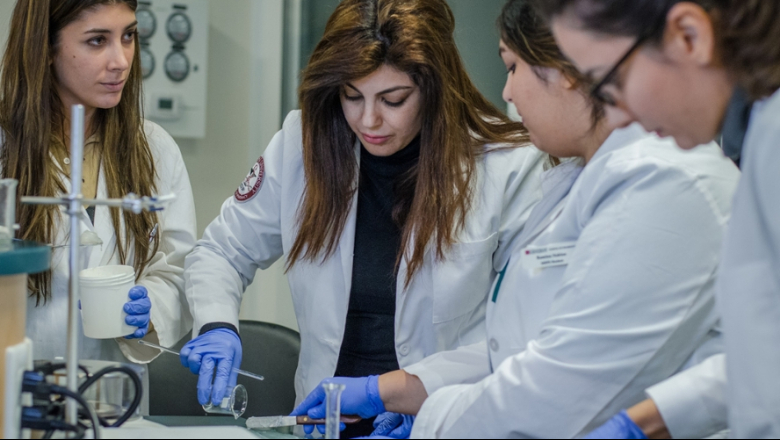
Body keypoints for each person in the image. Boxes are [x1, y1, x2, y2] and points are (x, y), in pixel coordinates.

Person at [290, 0, 740, 437]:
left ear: (567, 69)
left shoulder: (659, 179)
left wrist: (430, 421)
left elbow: (560, 386)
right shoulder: (572, 184)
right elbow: (513, 353)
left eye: (512, 67)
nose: (506, 92)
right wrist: (398, 394)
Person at [180, 0, 546, 436]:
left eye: (393, 100)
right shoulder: (302, 145)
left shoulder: (506, 165)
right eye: (352, 96)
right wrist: (218, 325)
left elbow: (520, 337)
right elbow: (222, 250)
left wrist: (414, 399)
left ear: (435, 88)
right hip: (321, 423)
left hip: (445, 420)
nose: (369, 120)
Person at [539, 0, 780, 438]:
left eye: (608, 84)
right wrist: (652, 420)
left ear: (689, 36)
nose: (616, 116)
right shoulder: (758, 131)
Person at [0, 0, 197, 366]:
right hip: (14, 394)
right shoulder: (4, 150)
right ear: (44, 48)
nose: (121, 60)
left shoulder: (154, 148)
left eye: (128, 36)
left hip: (115, 397)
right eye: (96, 41)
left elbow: (177, 268)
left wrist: (150, 307)